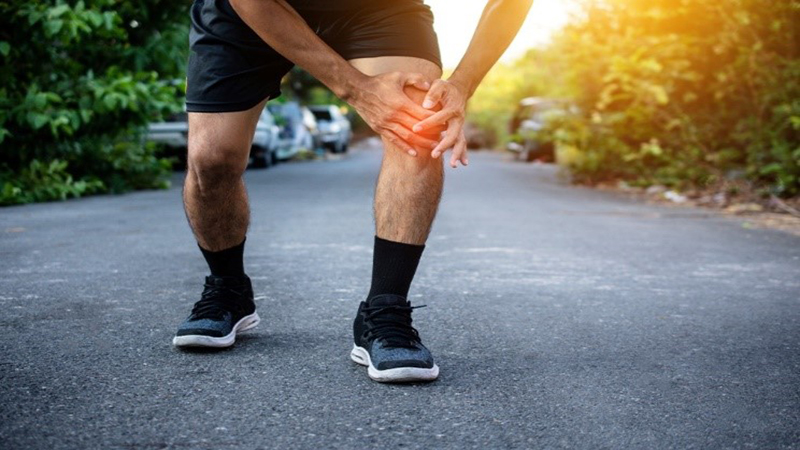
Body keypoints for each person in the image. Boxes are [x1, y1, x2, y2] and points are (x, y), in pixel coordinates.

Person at [173, 0, 533, 383]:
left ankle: (386, 308)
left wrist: (461, 86)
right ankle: (228, 288)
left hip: (379, 8)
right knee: (211, 159)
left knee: (417, 123)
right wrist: (357, 90)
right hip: (251, 11)